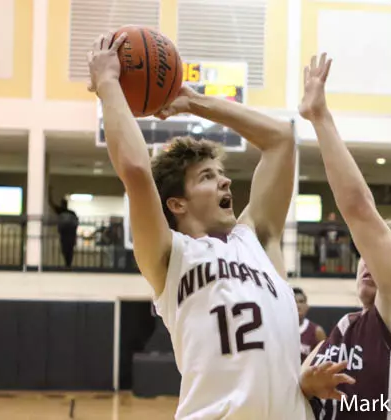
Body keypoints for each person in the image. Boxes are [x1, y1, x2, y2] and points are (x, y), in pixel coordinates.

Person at [87, 32, 350, 420]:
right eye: (208, 177)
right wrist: (109, 83)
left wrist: (193, 101)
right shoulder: (170, 257)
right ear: (177, 203)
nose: (226, 182)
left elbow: (280, 140)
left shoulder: (257, 238)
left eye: (221, 174)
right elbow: (136, 170)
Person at [298, 54, 391, 419]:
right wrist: (306, 384)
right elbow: (295, 386)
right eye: (366, 255)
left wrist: (320, 118)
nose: (370, 260)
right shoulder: (344, 327)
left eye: (388, 256)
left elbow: (359, 210)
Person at [48, 187, 79, 268]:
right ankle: (68, 264)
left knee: (66, 250)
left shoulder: (61, 211)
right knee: (68, 250)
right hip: (69, 235)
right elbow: (76, 223)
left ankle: (67, 264)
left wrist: (49, 192)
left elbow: (51, 203)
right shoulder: (71, 212)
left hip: (65, 234)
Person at [294, 287, 327, 362]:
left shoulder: (317, 331)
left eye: (301, 302)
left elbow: (325, 359)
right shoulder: (281, 330)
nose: (298, 305)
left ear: (307, 307)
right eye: (294, 301)